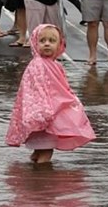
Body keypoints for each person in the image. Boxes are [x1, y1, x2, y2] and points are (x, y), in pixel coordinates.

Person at [5, 24, 96, 164]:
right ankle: (42, 180)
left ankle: (33, 174)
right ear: (35, 43)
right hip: (43, 116)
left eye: (52, 41)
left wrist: (71, 99)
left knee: (40, 151)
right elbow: (36, 90)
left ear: (60, 44)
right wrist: (44, 110)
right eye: (42, 41)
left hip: (44, 115)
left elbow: (62, 88)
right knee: (47, 152)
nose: (47, 44)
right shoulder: (38, 65)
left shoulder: (55, 65)